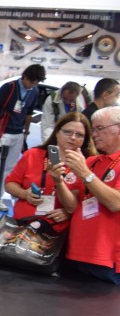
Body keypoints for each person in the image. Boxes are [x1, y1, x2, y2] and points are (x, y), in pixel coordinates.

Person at [55, 107, 120, 283]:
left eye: (100, 128)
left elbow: (115, 203)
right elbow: (70, 205)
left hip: (106, 260)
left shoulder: (87, 166)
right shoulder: (92, 161)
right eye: (93, 129)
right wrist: (58, 181)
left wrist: (85, 174)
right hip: (74, 252)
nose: (94, 134)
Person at [4, 112, 94, 225]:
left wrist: (69, 212)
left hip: (56, 230)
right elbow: (10, 184)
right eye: (67, 132)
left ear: (85, 139)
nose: (73, 137)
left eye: (79, 135)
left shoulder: (87, 166)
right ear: (57, 132)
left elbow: (79, 205)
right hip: (23, 223)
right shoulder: (33, 154)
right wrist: (24, 194)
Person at [0, 64, 47, 214]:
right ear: (25, 77)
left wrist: (26, 131)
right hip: (2, 132)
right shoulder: (9, 87)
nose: (33, 85)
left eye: (36, 83)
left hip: (18, 134)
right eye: (32, 82)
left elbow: (29, 113)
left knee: (9, 170)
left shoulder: (34, 91)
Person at [39, 81, 92, 148]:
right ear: (61, 92)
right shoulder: (51, 100)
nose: (67, 102)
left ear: (77, 96)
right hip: (59, 135)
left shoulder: (86, 96)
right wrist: (50, 145)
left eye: (71, 100)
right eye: (64, 98)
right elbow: (47, 126)